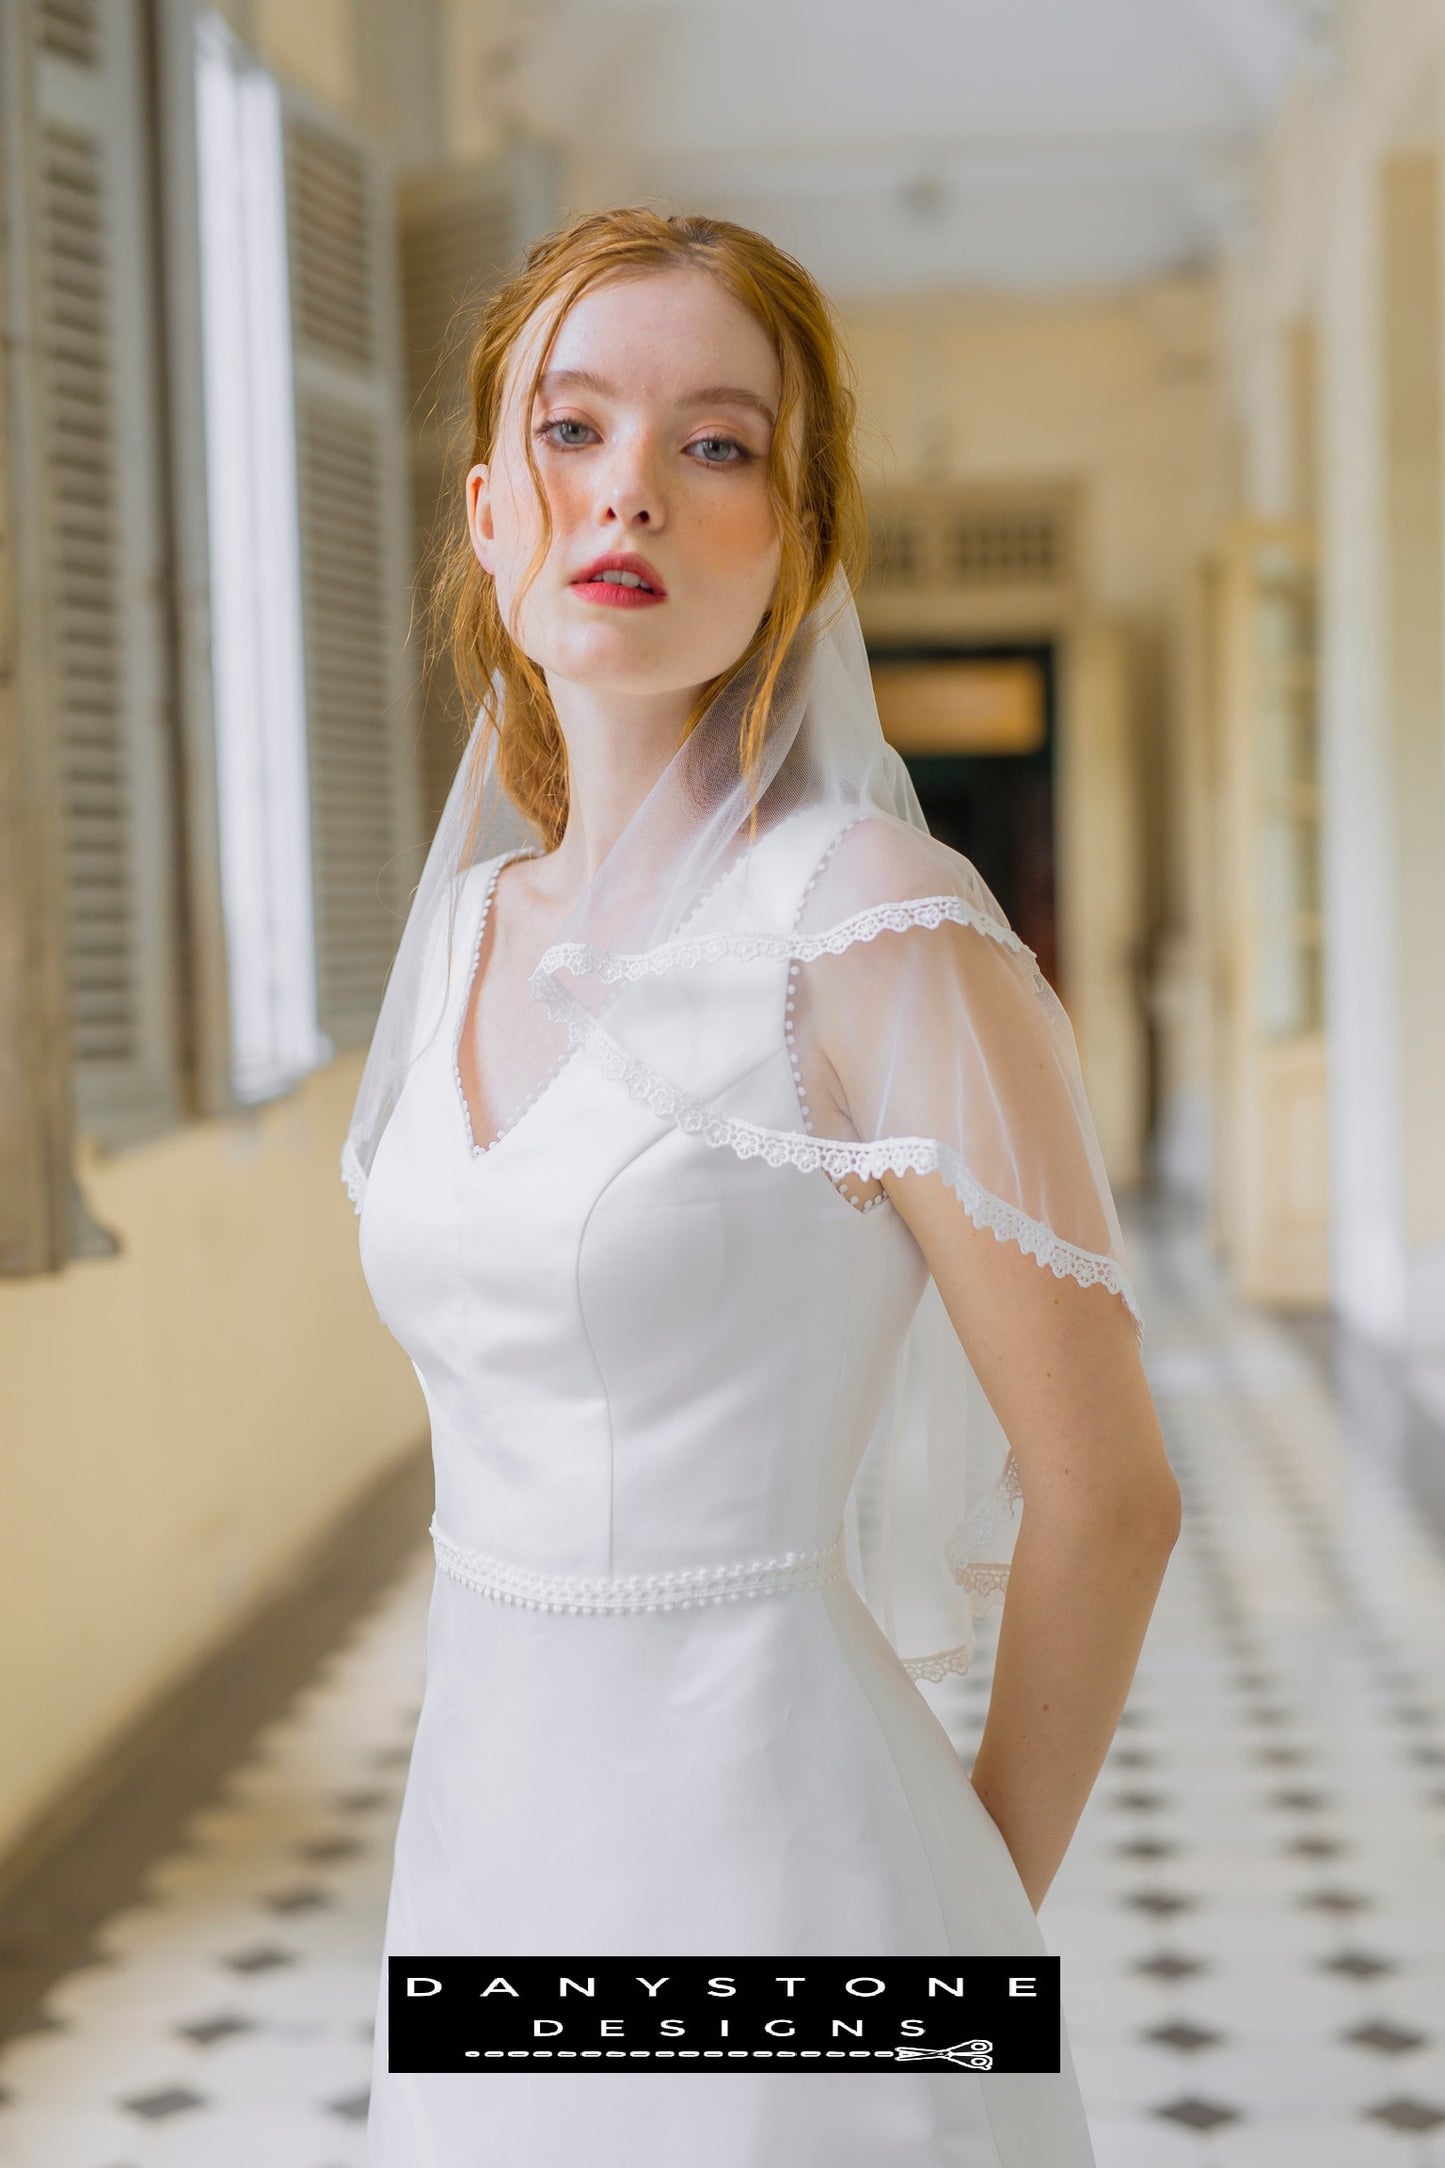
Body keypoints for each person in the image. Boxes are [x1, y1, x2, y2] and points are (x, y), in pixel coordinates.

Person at [342, 205, 1181, 2167]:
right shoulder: (466, 927)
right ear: (487, 511)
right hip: (484, 1859)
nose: (630, 483)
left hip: (795, 1872)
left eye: (717, 444)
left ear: (795, 544)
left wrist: (951, 1908)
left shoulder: (868, 929)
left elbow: (1110, 1496)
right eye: (573, 429)